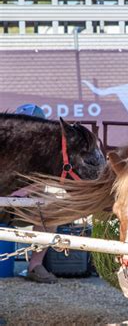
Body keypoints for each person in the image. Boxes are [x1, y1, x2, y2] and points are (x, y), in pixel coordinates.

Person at [12, 104, 58, 284]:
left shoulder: (46, 151)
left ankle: (35, 266)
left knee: (52, 212)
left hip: (25, 204)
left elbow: (44, 183)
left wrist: (22, 194)